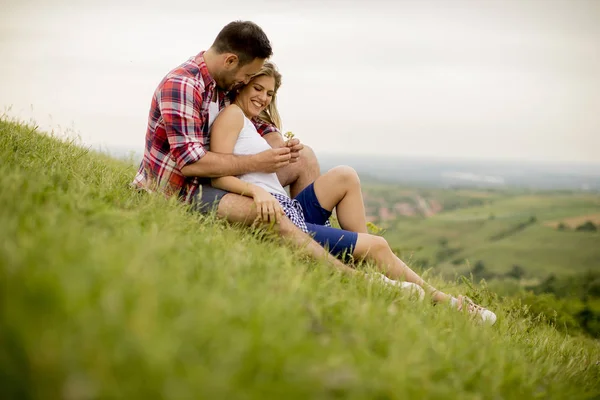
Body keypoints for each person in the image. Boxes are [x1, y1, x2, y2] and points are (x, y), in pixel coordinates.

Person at [209, 62, 497, 325]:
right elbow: (219, 173)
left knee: (345, 175)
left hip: (289, 209)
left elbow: (258, 165)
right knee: (379, 245)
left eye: (269, 93)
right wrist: (257, 192)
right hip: (280, 214)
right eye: (257, 88)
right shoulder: (232, 116)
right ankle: (449, 304)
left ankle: (372, 265)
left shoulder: (249, 122)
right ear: (242, 84)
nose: (263, 97)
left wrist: (283, 154)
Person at [132, 20, 319, 222]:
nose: (247, 81)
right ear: (230, 61)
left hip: (220, 181)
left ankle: (309, 227)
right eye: (247, 75)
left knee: (304, 157)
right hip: (182, 191)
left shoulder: (225, 85)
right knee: (272, 215)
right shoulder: (183, 84)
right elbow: (190, 164)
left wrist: (277, 146)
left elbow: (251, 121)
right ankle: (305, 235)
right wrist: (257, 162)